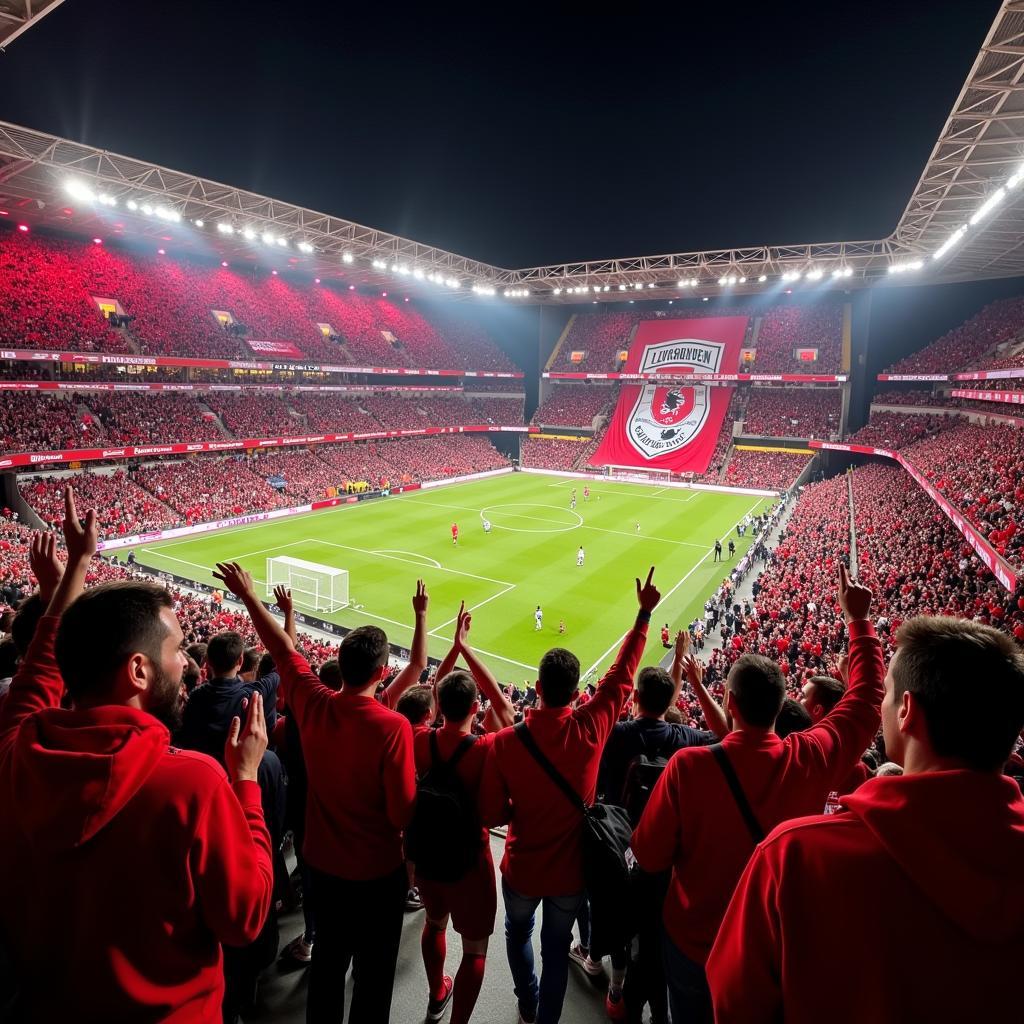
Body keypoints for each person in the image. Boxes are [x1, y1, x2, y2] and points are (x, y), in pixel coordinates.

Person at [0, 489, 274, 1022]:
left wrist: (72, 572)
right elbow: (245, 918)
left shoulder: (16, 750)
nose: (185, 665)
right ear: (139, 671)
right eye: (174, 652)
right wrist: (246, 782)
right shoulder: (193, 782)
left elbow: (39, 670)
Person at [708, 616, 1024, 1024]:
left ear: (906, 710)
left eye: (889, 695)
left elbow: (734, 1003)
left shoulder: (794, 855)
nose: (882, 704)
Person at [632, 562, 884, 1024]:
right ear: (782, 705)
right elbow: (867, 701)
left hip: (692, 942)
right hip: (770, 949)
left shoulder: (689, 766)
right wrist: (858, 624)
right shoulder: (810, 759)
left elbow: (648, 855)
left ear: (730, 702)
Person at [213, 561, 419, 1024]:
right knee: (373, 978)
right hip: (376, 874)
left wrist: (249, 596)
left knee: (327, 968)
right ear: (383, 673)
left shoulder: (312, 702)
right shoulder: (394, 727)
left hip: (322, 869)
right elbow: (405, 814)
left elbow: (283, 650)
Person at [480, 567, 660, 1024]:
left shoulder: (503, 743)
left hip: (521, 866)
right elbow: (622, 677)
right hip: (569, 876)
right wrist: (643, 616)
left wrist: (515, 808)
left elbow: (489, 812)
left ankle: (526, 1001)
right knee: (557, 950)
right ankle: (546, 1019)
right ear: (578, 694)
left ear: (537, 688)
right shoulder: (591, 727)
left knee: (517, 934)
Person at [590, 632, 724, 1022]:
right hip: (664, 855)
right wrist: (693, 681)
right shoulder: (686, 740)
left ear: (634, 699)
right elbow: (729, 734)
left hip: (617, 845)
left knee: (618, 920)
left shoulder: (615, 736)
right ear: (671, 704)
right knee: (653, 933)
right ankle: (657, 1008)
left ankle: (617, 989)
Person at [413, 603, 516, 1024]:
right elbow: (503, 707)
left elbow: (436, 689)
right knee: (474, 949)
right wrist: (466, 648)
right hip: (470, 861)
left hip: (428, 852)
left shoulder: (420, 740)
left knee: (434, 924)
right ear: (477, 706)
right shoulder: (487, 749)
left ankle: (436, 992)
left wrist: (454, 651)